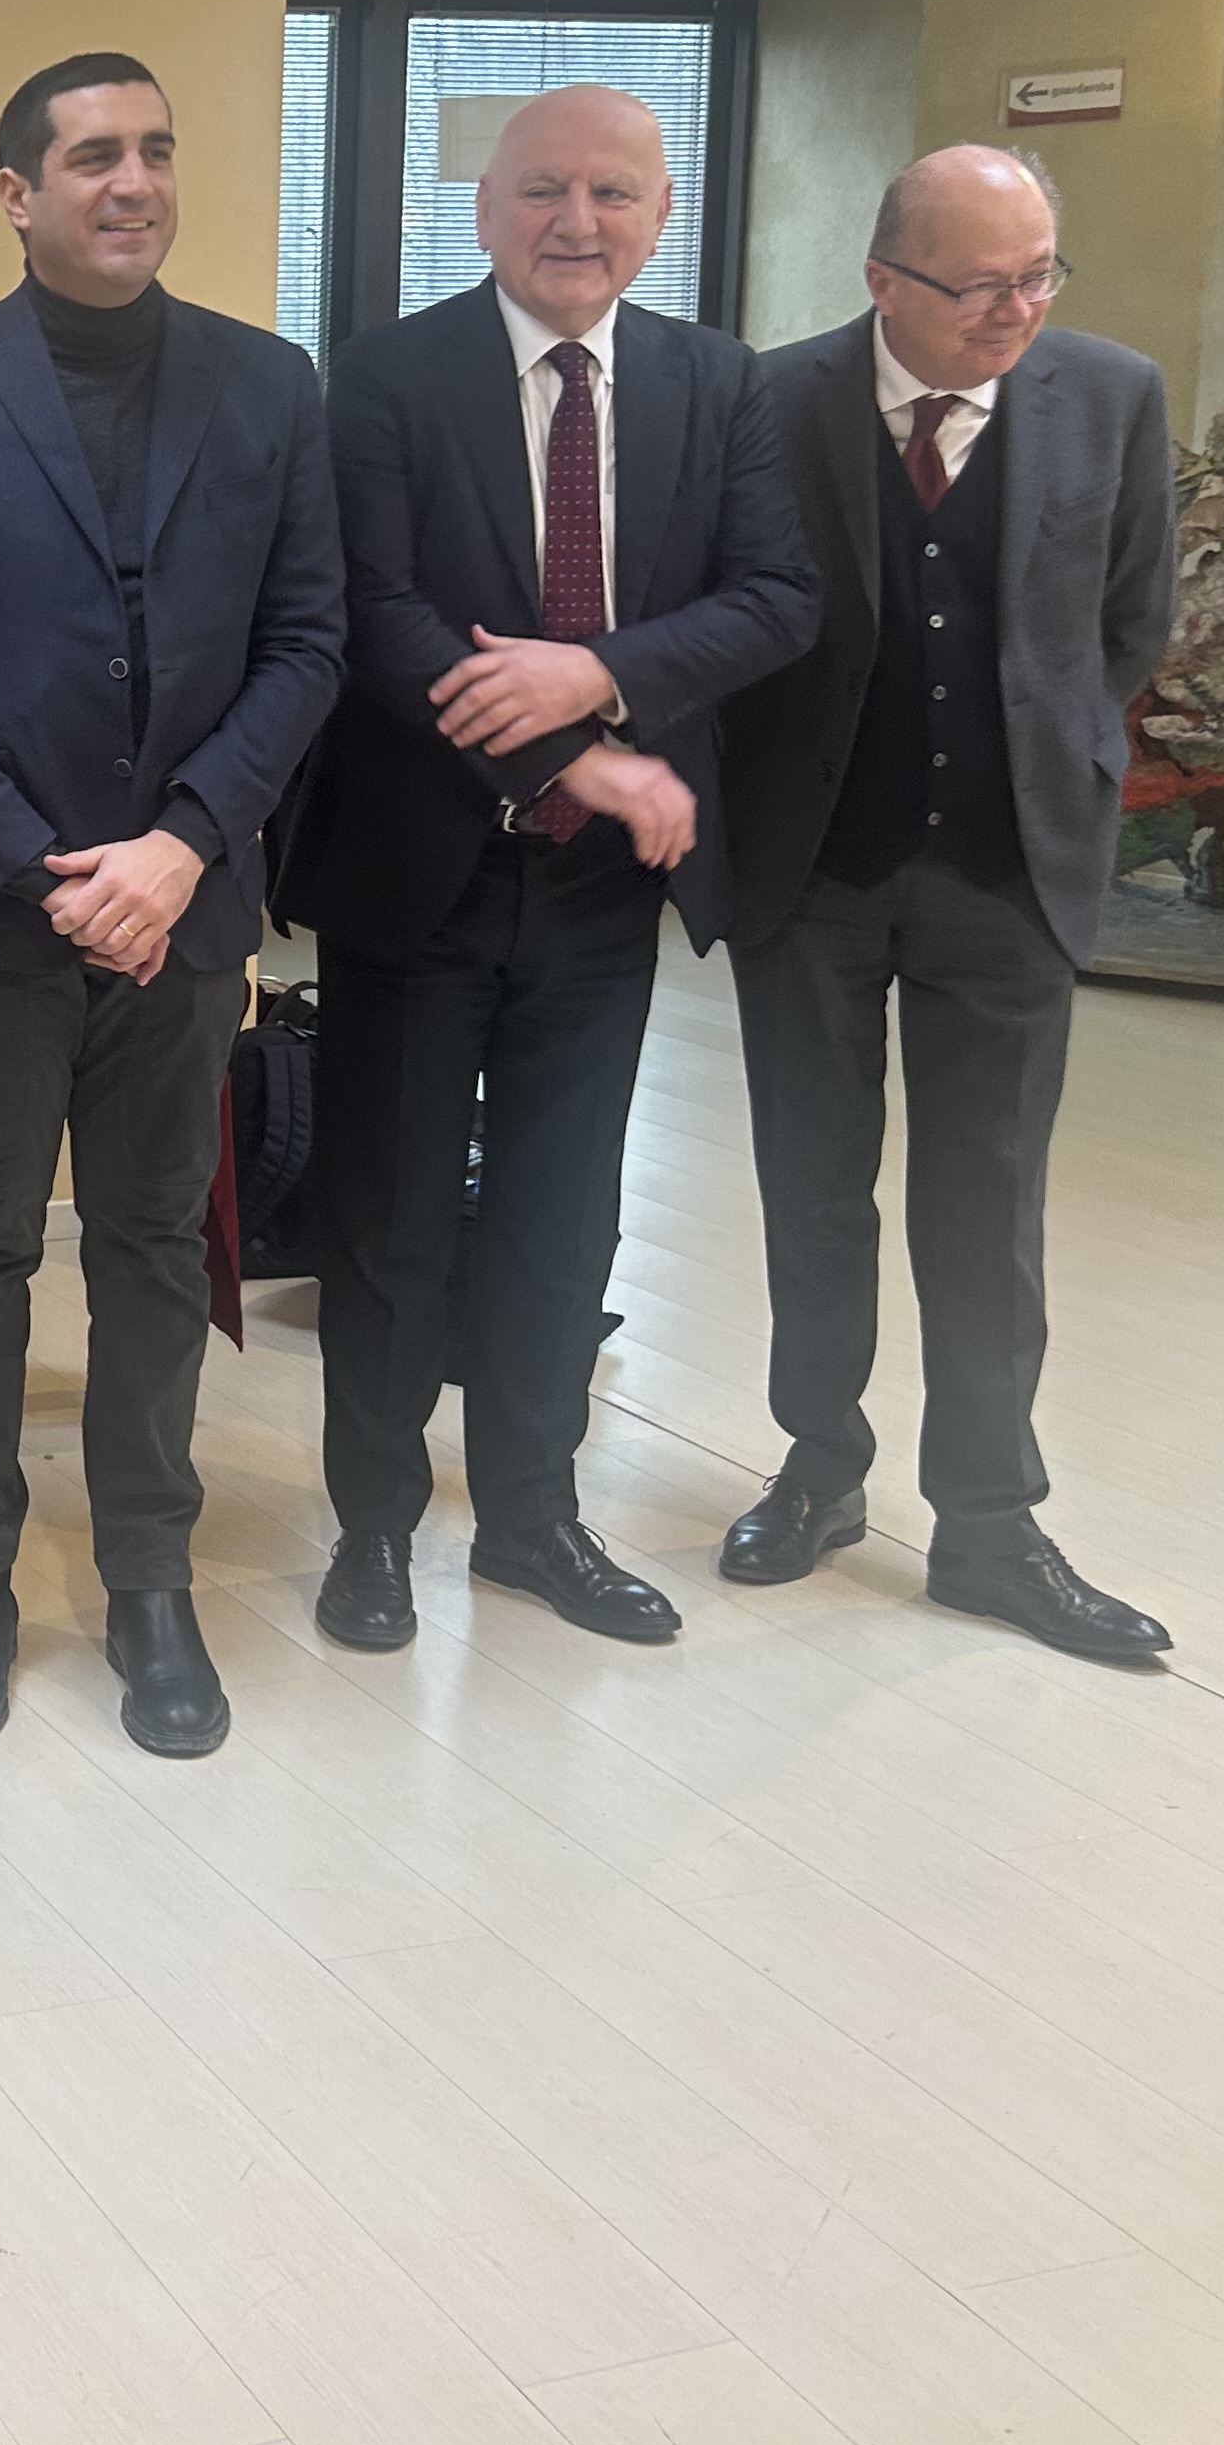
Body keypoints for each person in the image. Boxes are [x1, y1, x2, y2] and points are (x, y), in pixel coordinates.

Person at [0, 53, 344, 1755]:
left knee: (150, 1245)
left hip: (184, 909)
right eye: (94, 156)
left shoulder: (268, 386)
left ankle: (148, 1585)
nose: (134, 181)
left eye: (156, 151)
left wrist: (183, 846)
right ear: (18, 194)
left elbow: (307, 645)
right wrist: (47, 871)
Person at [274, 84, 817, 1652]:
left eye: (613, 192)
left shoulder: (719, 384)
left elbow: (777, 596)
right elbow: (370, 611)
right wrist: (569, 753)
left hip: (601, 892)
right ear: (486, 207)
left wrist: (600, 676)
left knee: (562, 1217)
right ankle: (375, 1530)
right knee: (389, 1222)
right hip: (416, 871)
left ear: (660, 212)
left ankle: (531, 1520)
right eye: (542, 190)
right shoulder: (386, 374)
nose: (578, 221)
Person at [710, 148, 1177, 1659]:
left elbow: (1130, 623)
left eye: (1038, 276)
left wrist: (1053, 757)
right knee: (812, 1185)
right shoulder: (773, 399)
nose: (1014, 310)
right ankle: (819, 1466)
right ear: (883, 280)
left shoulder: (1112, 396)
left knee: (990, 1203)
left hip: (1008, 871)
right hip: (812, 871)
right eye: (978, 285)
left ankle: (988, 1521)